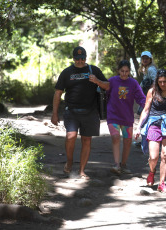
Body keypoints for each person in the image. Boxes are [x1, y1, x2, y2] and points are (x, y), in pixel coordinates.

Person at [51, 46, 109, 179]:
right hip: (72, 111)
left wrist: (97, 81)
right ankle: (70, 161)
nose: (80, 61)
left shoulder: (93, 70)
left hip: (90, 111)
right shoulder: (66, 72)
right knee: (70, 137)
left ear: (86, 58)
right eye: (78, 59)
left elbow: (108, 85)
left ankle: (82, 170)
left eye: (82, 58)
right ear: (73, 59)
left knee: (86, 140)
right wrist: (54, 113)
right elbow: (58, 93)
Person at [106, 60, 146, 174]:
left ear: (129, 71)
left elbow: (141, 98)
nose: (124, 73)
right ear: (118, 71)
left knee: (128, 141)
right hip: (113, 114)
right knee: (115, 137)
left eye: (126, 71)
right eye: (122, 71)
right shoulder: (112, 81)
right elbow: (105, 93)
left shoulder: (133, 83)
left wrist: (147, 106)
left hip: (127, 117)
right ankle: (116, 164)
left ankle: (123, 164)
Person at [135, 51, 158, 147]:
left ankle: (146, 142)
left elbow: (155, 82)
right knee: (145, 118)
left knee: (145, 118)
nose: (145, 60)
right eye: (143, 58)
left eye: (147, 58)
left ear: (150, 59)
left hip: (150, 97)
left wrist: (151, 95)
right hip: (147, 96)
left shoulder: (151, 69)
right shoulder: (147, 69)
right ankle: (146, 141)